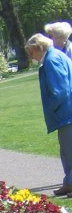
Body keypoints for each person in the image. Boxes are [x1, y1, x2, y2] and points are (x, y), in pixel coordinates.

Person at [26, 32, 72, 196]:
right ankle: (69, 182)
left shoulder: (52, 60)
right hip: (65, 112)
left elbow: (61, 90)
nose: (31, 56)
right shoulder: (56, 56)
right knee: (66, 150)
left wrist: (51, 107)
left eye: (31, 52)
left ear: (39, 48)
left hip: (67, 112)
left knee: (69, 149)